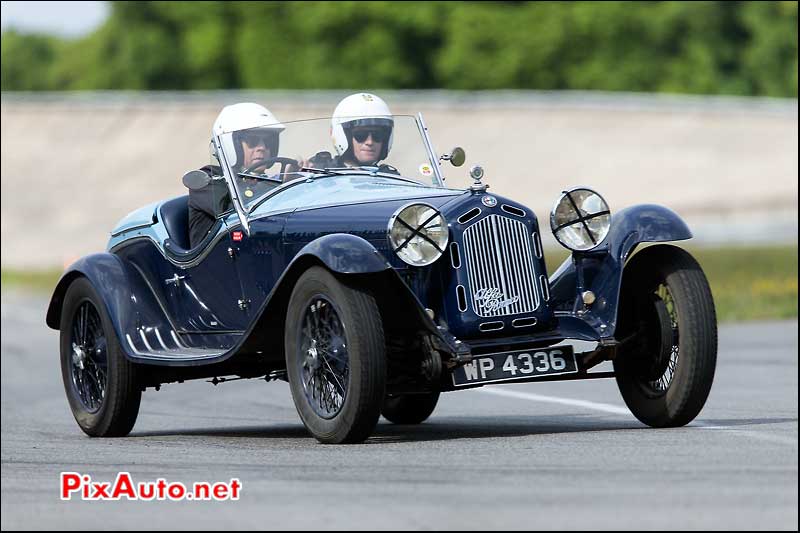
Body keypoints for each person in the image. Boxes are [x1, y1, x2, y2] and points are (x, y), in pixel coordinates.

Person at [188, 103, 284, 248]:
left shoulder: (270, 182)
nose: (262, 147)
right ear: (232, 145)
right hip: (217, 265)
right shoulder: (209, 180)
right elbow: (233, 208)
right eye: (253, 141)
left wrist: (296, 184)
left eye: (268, 141)